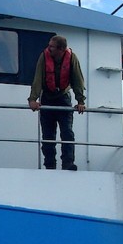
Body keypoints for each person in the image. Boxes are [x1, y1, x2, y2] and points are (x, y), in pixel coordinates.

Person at [28, 35, 86, 171]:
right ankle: (50, 165)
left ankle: (68, 163)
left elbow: (78, 80)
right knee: (48, 135)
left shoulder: (72, 58)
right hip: (47, 97)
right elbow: (38, 79)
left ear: (61, 49)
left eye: (52, 47)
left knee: (67, 132)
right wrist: (33, 99)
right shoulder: (44, 57)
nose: (49, 48)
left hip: (63, 98)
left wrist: (80, 101)